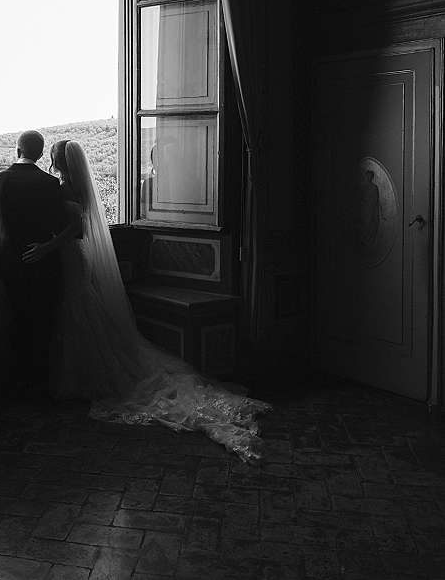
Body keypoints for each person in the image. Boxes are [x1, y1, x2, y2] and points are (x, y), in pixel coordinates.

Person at [22, 139, 270, 463]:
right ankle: (83, 373)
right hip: (74, 257)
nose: (50, 158)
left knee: (78, 309)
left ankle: (84, 377)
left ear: (61, 161)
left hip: (69, 255)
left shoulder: (66, 186)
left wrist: (46, 247)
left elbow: (77, 227)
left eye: (53, 155)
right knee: (80, 308)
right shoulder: (73, 184)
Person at [0, 130, 77, 398]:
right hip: (44, 264)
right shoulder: (49, 184)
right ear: (39, 153)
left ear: (17, 150)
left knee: (17, 320)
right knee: (43, 323)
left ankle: (18, 380)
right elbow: (61, 227)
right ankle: (39, 380)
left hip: (10, 265)